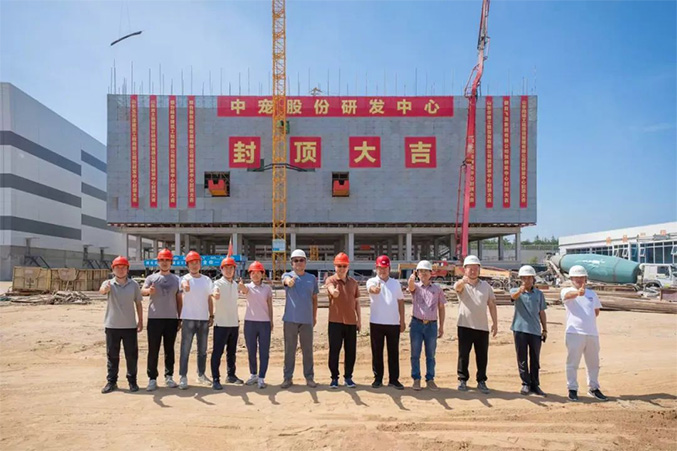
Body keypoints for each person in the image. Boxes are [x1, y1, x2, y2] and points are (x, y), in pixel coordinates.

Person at [561, 265, 608, 402]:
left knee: (593, 363)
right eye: (576, 278)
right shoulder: (567, 291)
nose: (579, 280)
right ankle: (572, 388)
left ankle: (594, 388)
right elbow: (567, 297)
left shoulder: (592, 294)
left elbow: (596, 312)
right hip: (574, 333)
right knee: (572, 363)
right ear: (571, 279)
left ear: (585, 279)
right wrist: (578, 293)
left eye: (581, 277)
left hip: (591, 333)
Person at [453, 255, 498, 394]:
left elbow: (492, 304)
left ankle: (481, 380)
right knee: (463, 355)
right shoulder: (462, 285)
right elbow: (457, 288)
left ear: (479, 270)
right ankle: (462, 379)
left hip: (482, 327)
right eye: (470, 268)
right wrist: (463, 281)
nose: (473, 271)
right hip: (465, 326)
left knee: (482, 356)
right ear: (464, 270)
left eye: (475, 268)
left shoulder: (486, 286)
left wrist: (495, 323)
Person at [100, 256, 143, 394]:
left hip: (129, 326)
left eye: (123, 267)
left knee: (131, 356)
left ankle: (132, 381)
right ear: (113, 269)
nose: (120, 270)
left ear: (127, 269)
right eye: (117, 267)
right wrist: (105, 289)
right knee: (112, 355)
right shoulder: (108, 283)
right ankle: (111, 382)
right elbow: (102, 291)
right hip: (112, 325)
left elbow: (138, 303)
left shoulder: (134, 285)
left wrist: (140, 321)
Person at [142, 248, 182, 391]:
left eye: (167, 260)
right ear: (158, 262)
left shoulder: (176, 280)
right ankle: (152, 378)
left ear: (171, 262)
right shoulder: (151, 278)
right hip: (155, 318)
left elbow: (179, 299)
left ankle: (169, 376)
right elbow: (142, 291)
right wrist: (149, 291)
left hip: (171, 319)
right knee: (153, 349)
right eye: (162, 260)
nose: (164, 262)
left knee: (169, 349)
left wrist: (179, 317)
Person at [280, 249, 319, 389]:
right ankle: (287, 378)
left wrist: (314, 316)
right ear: (292, 263)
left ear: (305, 262)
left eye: (301, 260)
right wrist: (289, 282)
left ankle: (309, 377)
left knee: (307, 350)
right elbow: (286, 281)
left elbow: (314, 299)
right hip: (290, 320)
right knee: (289, 351)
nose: (298, 263)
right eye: (295, 260)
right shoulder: (287, 275)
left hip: (306, 320)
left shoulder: (311, 279)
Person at [367, 255, 405, 390]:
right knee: (377, 352)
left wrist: (402, 320)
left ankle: (394, 379)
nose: (382, 271)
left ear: (389, 268)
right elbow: (371, 289)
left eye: (385, 268)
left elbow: (400, 301)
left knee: (393, 352)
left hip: (393, 323)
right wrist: (375, 290)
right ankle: (378, 378)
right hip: (376, 322)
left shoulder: (395, 283)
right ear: (376, 268)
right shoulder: (372, 281)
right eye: (380, 268)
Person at [178, 251, 214, 390]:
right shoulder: (184, 279)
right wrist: (185, 287)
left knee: (202, 350)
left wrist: (211, 315)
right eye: (191, 263)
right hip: (188, 319)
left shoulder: (207, 280)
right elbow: (183, 287)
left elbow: (209, 298)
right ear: (187, 265)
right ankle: (183, 376)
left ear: (200, 264)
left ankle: (201, 374)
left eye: (196, 262)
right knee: (185, 349)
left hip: (203, 319)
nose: (194, 265)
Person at [407, 260, 446, 391]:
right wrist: (411, 279)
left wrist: (441, 326)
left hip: (431, 325)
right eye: (421, 271)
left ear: (431, 273)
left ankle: (430, 379)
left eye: (426, 271)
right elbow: (410, 287)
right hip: (416, 324)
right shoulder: (415, 287)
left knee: (430, 354)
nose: (423, 274)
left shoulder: (437, 289)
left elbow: (441, 308)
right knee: (415, 354)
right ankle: (416, 378)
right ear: (417, 273)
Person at [325, 252, 362, 389]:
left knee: (351, 351)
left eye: (344, 266)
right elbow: (330, 288)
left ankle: (348, 377)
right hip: (335, 321)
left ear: (348, 267)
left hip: (351, 322)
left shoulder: (353, 283)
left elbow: (357, 303)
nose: (341, 268)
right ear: (335, 266)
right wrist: (333, 292)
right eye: (339, 266)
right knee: (334, 350)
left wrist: (359, 320)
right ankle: (334, 378)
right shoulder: (331, 280)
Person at [510, 265, 547, 396]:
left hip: (535, 330)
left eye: (529, 278)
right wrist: (520, 291)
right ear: (520, 279)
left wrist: (545, 329)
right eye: (524, 278)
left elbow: (542, 312)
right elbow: (513, 297)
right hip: (519, 329)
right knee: (522, 357)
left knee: (535, 359)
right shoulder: (516, 291)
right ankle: (525, 383)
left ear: (533, 279)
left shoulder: (539, 294)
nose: (527, 281)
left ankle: (535, 384)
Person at [210, 257, 243, 390]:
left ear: (234, 270)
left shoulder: (235, 285)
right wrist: (215, 294)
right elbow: (214, 291)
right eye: (226, 268)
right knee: (217, 352)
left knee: (232, 352)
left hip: (234, 323)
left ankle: (231, 375)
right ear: (221, 269)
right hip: (221, 324)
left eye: (231, 268)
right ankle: (215, 378)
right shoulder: (217, 283)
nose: (229, 270)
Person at [239, 261, 273, 389]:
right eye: (253, 273)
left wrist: (271, 321)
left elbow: (269, 305)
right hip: (250, 323)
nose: (255, 275)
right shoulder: (248, 287)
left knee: (264, 351)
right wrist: (241, 286)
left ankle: (261, 377)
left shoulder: (267, 289)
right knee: (251, 350)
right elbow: (244, 290)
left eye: (258, 272)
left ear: (262, 274)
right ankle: (253, 374)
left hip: (264, 323)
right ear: (250, 275)